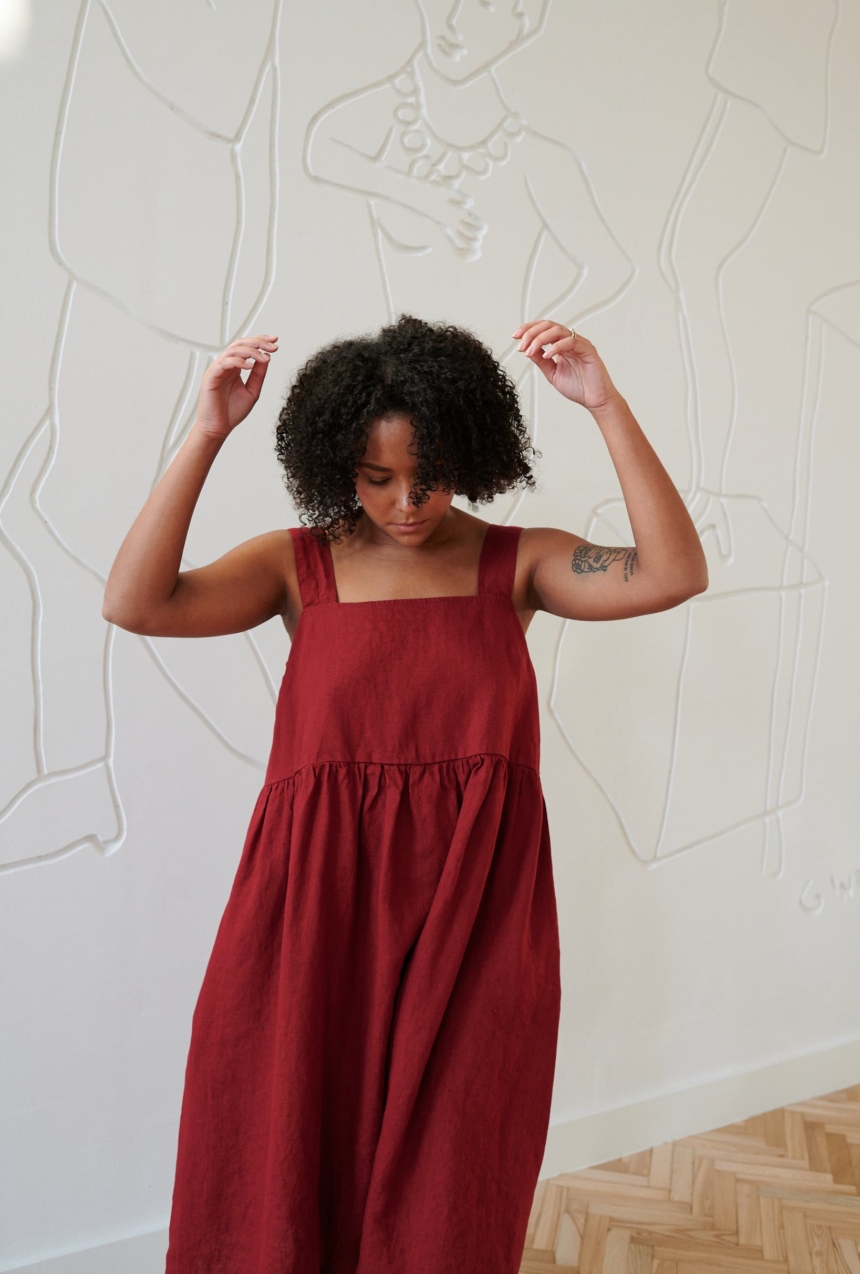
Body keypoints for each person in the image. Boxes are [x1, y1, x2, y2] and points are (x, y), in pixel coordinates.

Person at [102, 313, 707, 1273]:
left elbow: (673, 573)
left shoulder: (521, 565)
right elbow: (135, 602)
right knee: (281, 1155)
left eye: (428, 474)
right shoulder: (296, 567)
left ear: (469, 450)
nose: (408, 502)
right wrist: (209, 430)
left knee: (453, 1181)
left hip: (475, 913)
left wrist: (606, 405)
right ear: (336, 460)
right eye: (377, 478)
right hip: (313, 912)